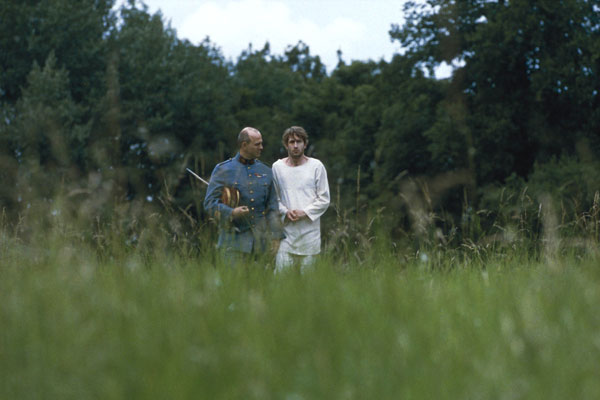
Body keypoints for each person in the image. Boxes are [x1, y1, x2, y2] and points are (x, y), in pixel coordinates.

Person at [203, 127, 281, 265]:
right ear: (244, 145)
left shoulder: (266, 171)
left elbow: (273, 208)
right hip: (232, 245)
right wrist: (231, 212)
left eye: (261, 143)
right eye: (257, 144)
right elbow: (209, 204)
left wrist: (276, 238)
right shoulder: (223, 169)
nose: (261, 147)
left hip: (260, 247)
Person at [272, 126, 330, 272]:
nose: (295, 146)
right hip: (286, 236)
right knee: (280, 281)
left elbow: (324, 199)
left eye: (299, 141)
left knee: (308, 285)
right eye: (292, 142)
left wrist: (304, 212)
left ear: (305, 143)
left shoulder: (317, 166)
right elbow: (274, 198)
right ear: (286, 144)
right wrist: (285, 211)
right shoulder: (277, 167)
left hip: (310, 235)